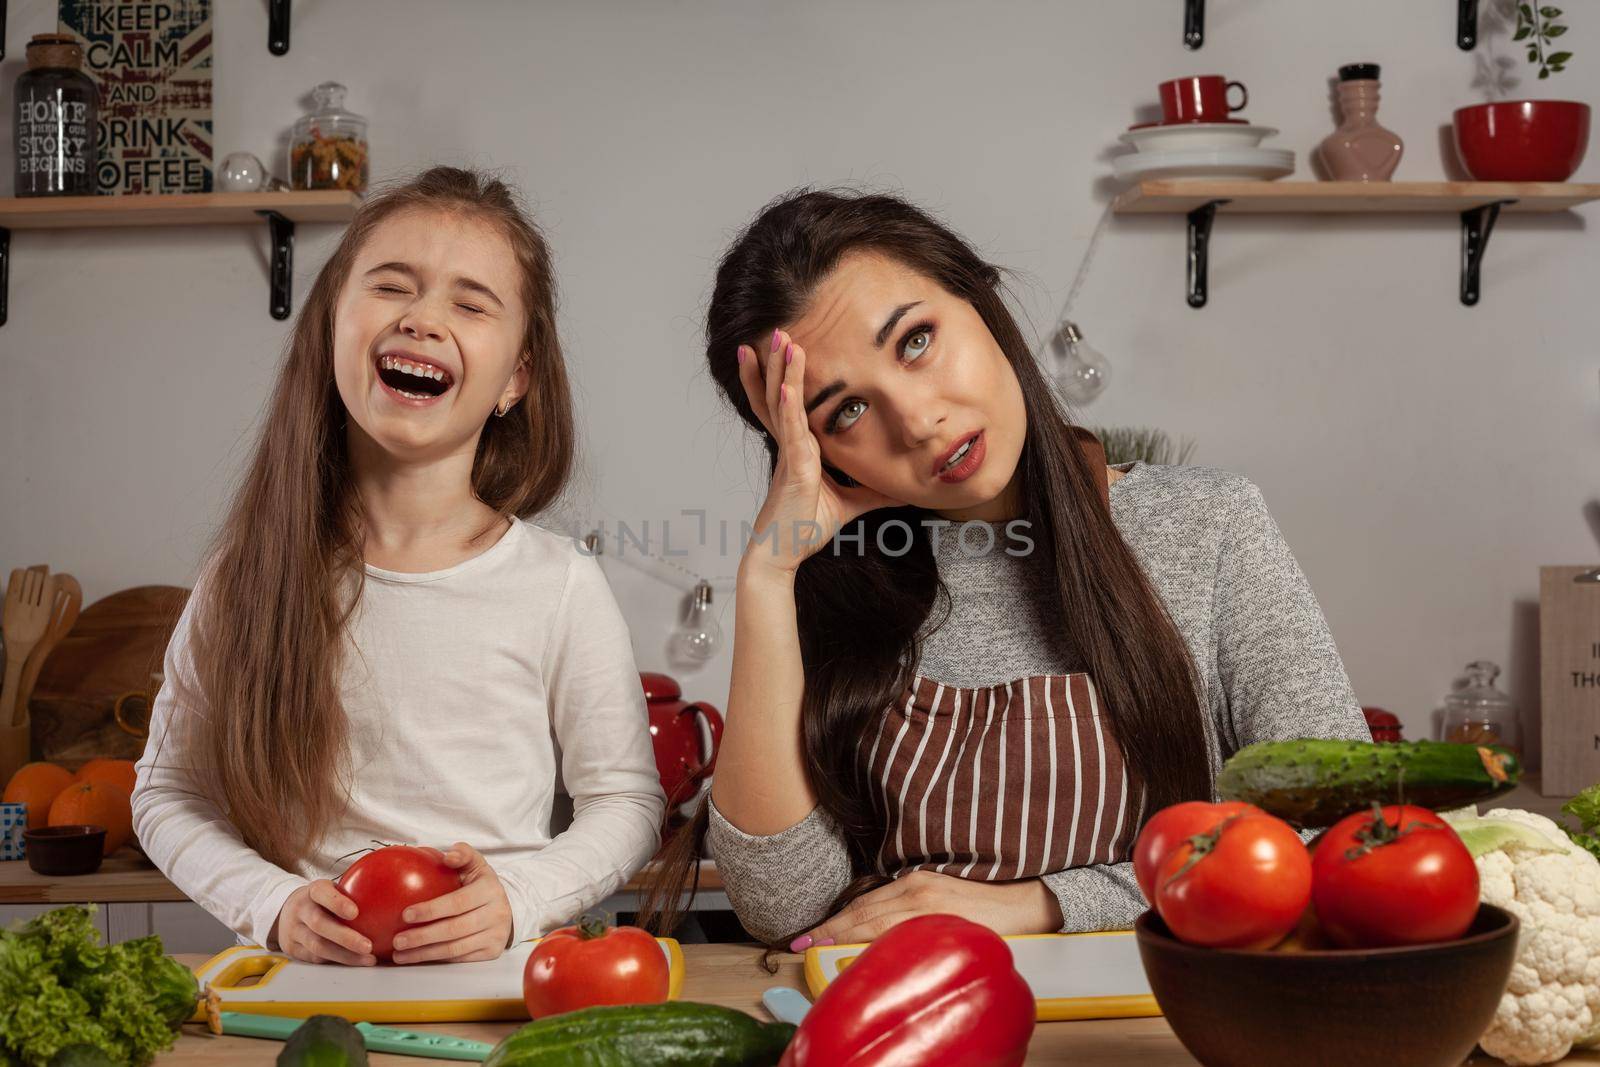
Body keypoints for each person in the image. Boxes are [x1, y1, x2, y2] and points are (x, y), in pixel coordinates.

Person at [644, 189, 1368, 949]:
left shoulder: (1206, 523)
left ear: (981, 301)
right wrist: (766, 573)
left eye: (916, 341)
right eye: (847, 412)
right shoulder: (834, 585)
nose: (918, 420)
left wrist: (1045, 901)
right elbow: (785, 909)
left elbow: (1341, 825)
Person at [133, 167, 664, 965]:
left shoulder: (557, 584)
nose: (422, 319)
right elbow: (167, 792)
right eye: (391, 287)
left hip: (494, 989)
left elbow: (626, 801)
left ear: (515, 378)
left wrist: (520, 900)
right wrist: (272, 903)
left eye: (470, 302)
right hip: (302, 992)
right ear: (331, 329)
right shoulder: (246, 574)